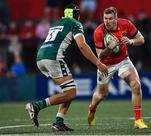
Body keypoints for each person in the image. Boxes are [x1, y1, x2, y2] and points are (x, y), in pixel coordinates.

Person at [25, 4, 108, 132]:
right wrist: (98, 63)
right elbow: (82, 45)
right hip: (53, 57)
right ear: (75, 14)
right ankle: (36, 106)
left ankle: (59, 122)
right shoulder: (74, 23)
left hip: (41, 57)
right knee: (71, 93)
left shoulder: (56, 22)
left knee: (68, 91)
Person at [87, 6, 148, 129]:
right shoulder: (98, 31)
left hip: (123, 61)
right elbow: (100, 57)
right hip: (106, 65)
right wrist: (109, 47)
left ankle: (138, 120)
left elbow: (141, 39)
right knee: (101, 95)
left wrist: (131, 42)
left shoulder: (126, 24)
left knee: (136, 85)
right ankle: (92, 109)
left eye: (110, 19)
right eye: (105, 18)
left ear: (116, 19)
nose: (107, 21)